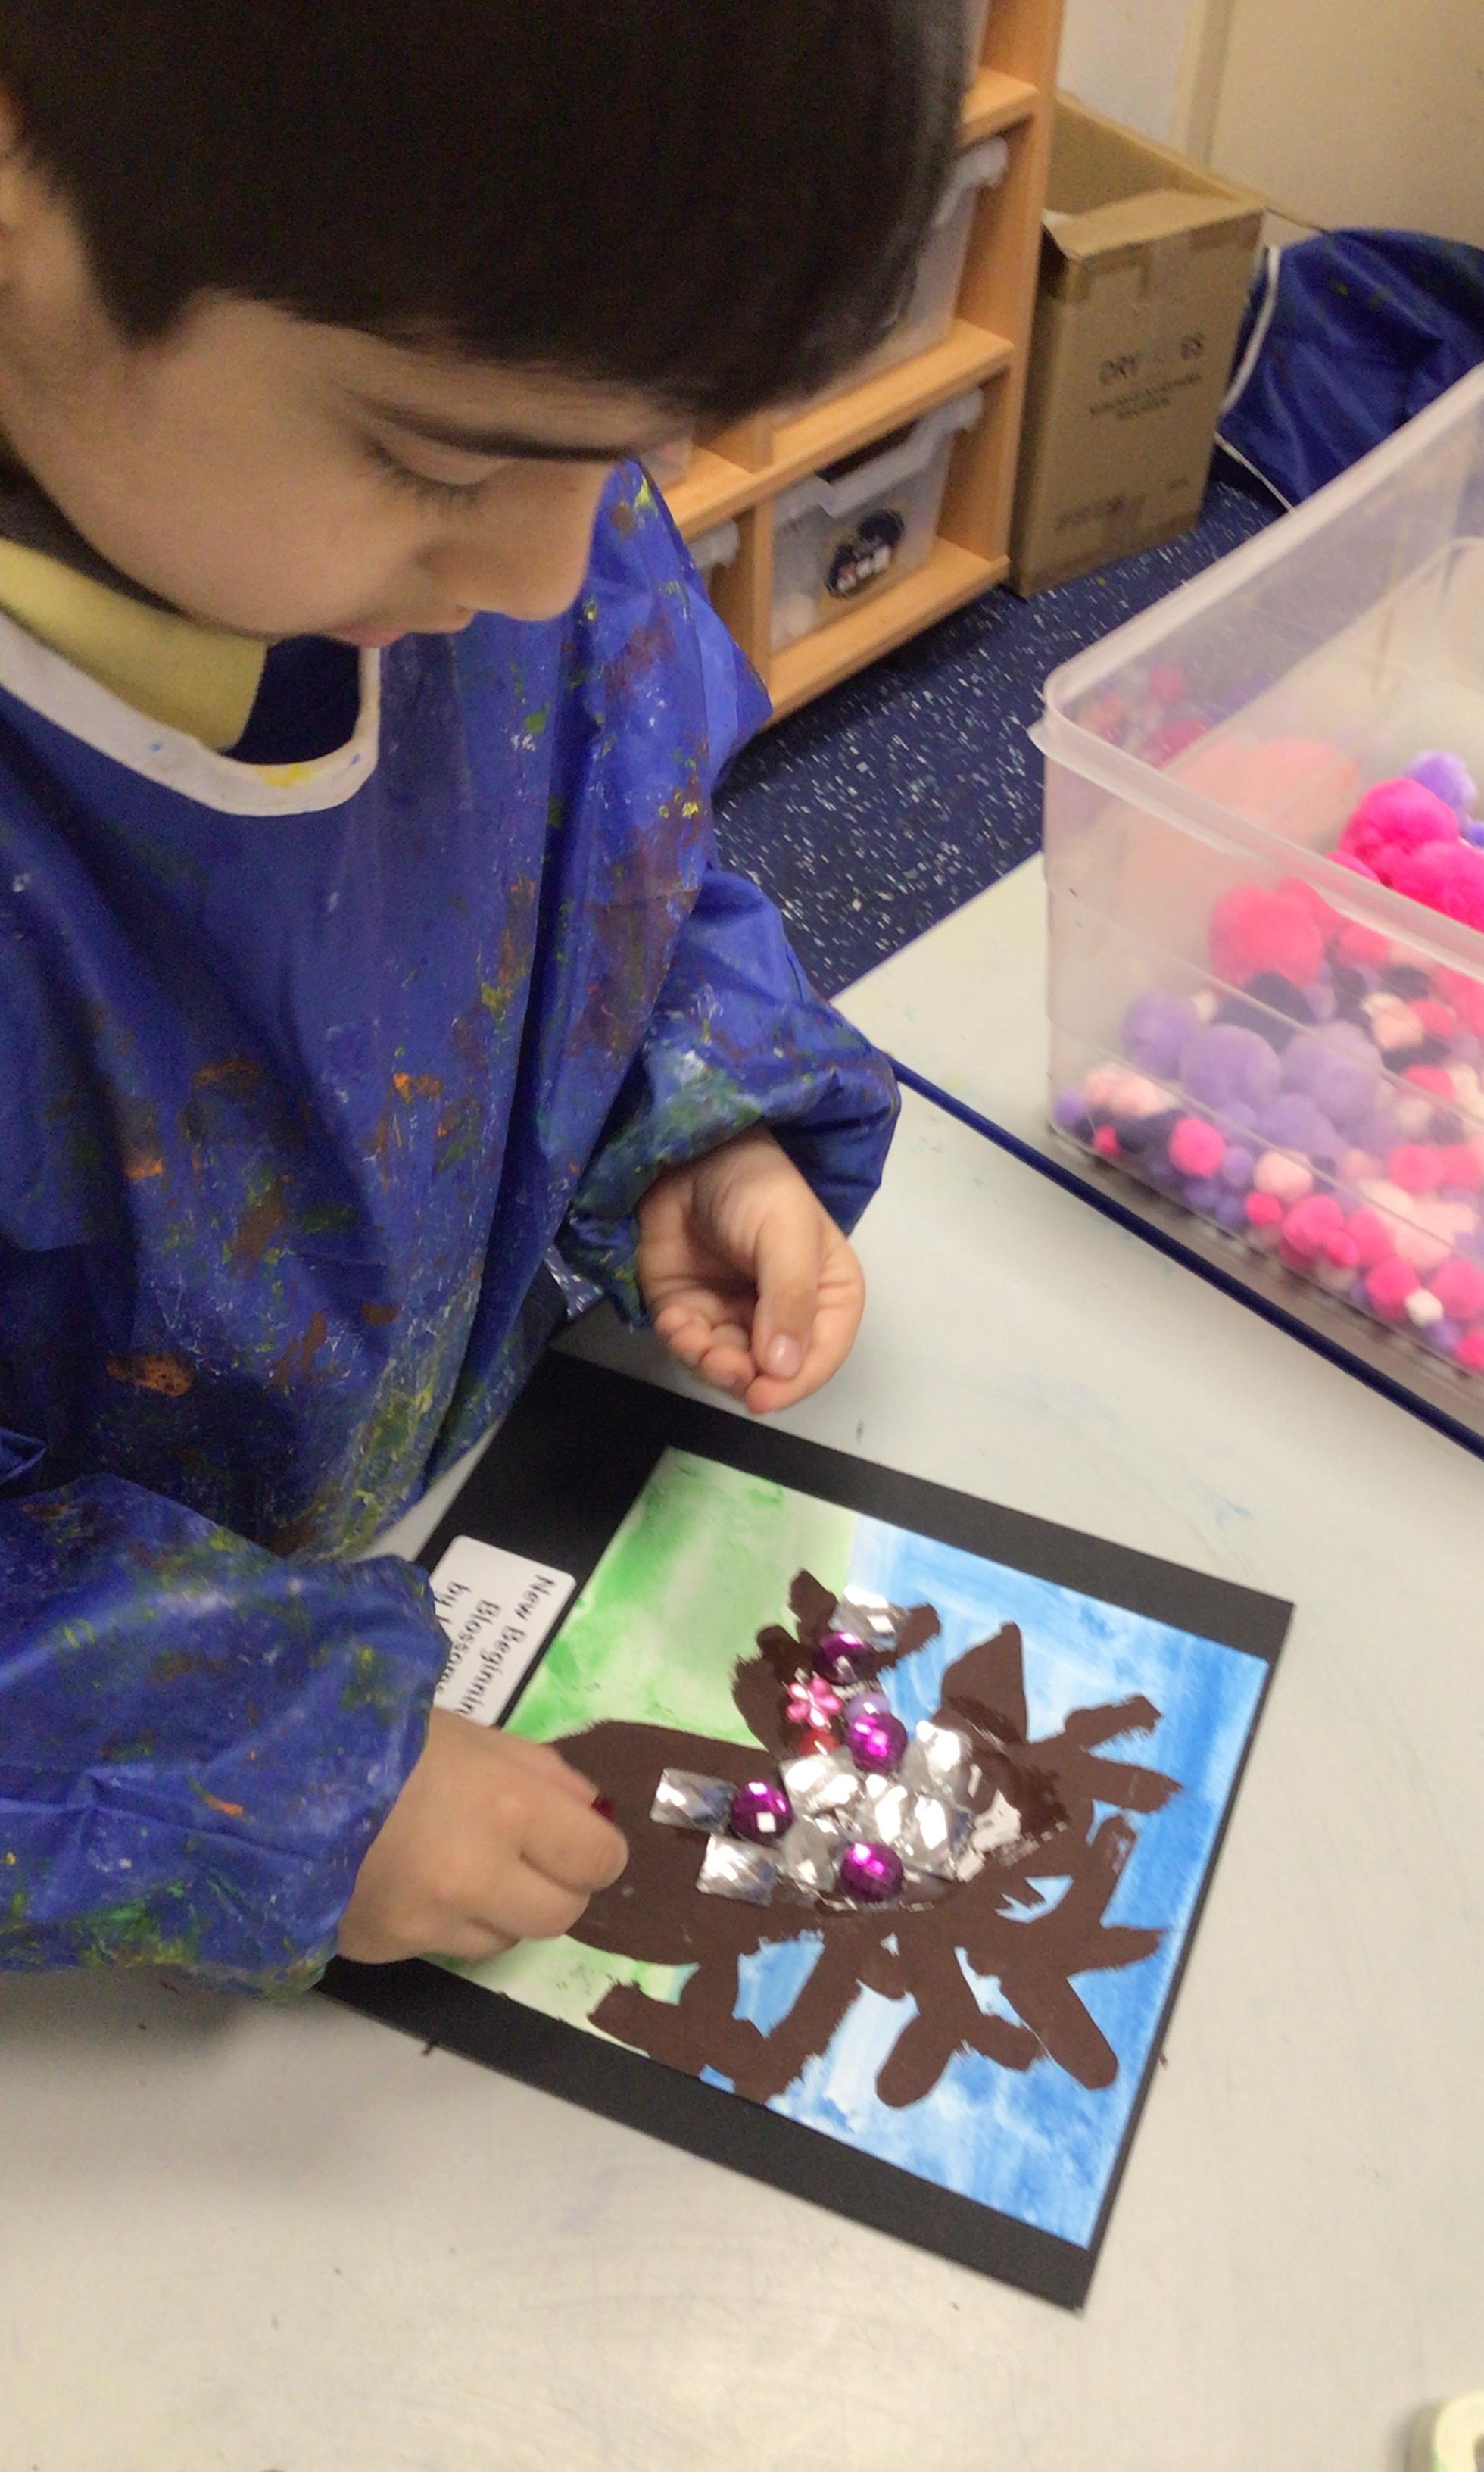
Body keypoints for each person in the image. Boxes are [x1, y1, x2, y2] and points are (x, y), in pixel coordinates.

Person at [0, 2, 964, 1991]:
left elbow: (612, 859)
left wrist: (687, 1118)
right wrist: (257, 1764)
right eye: (441, 463)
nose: (548, 572)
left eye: (635, 458)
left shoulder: (485, 426)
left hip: (457, 1514)